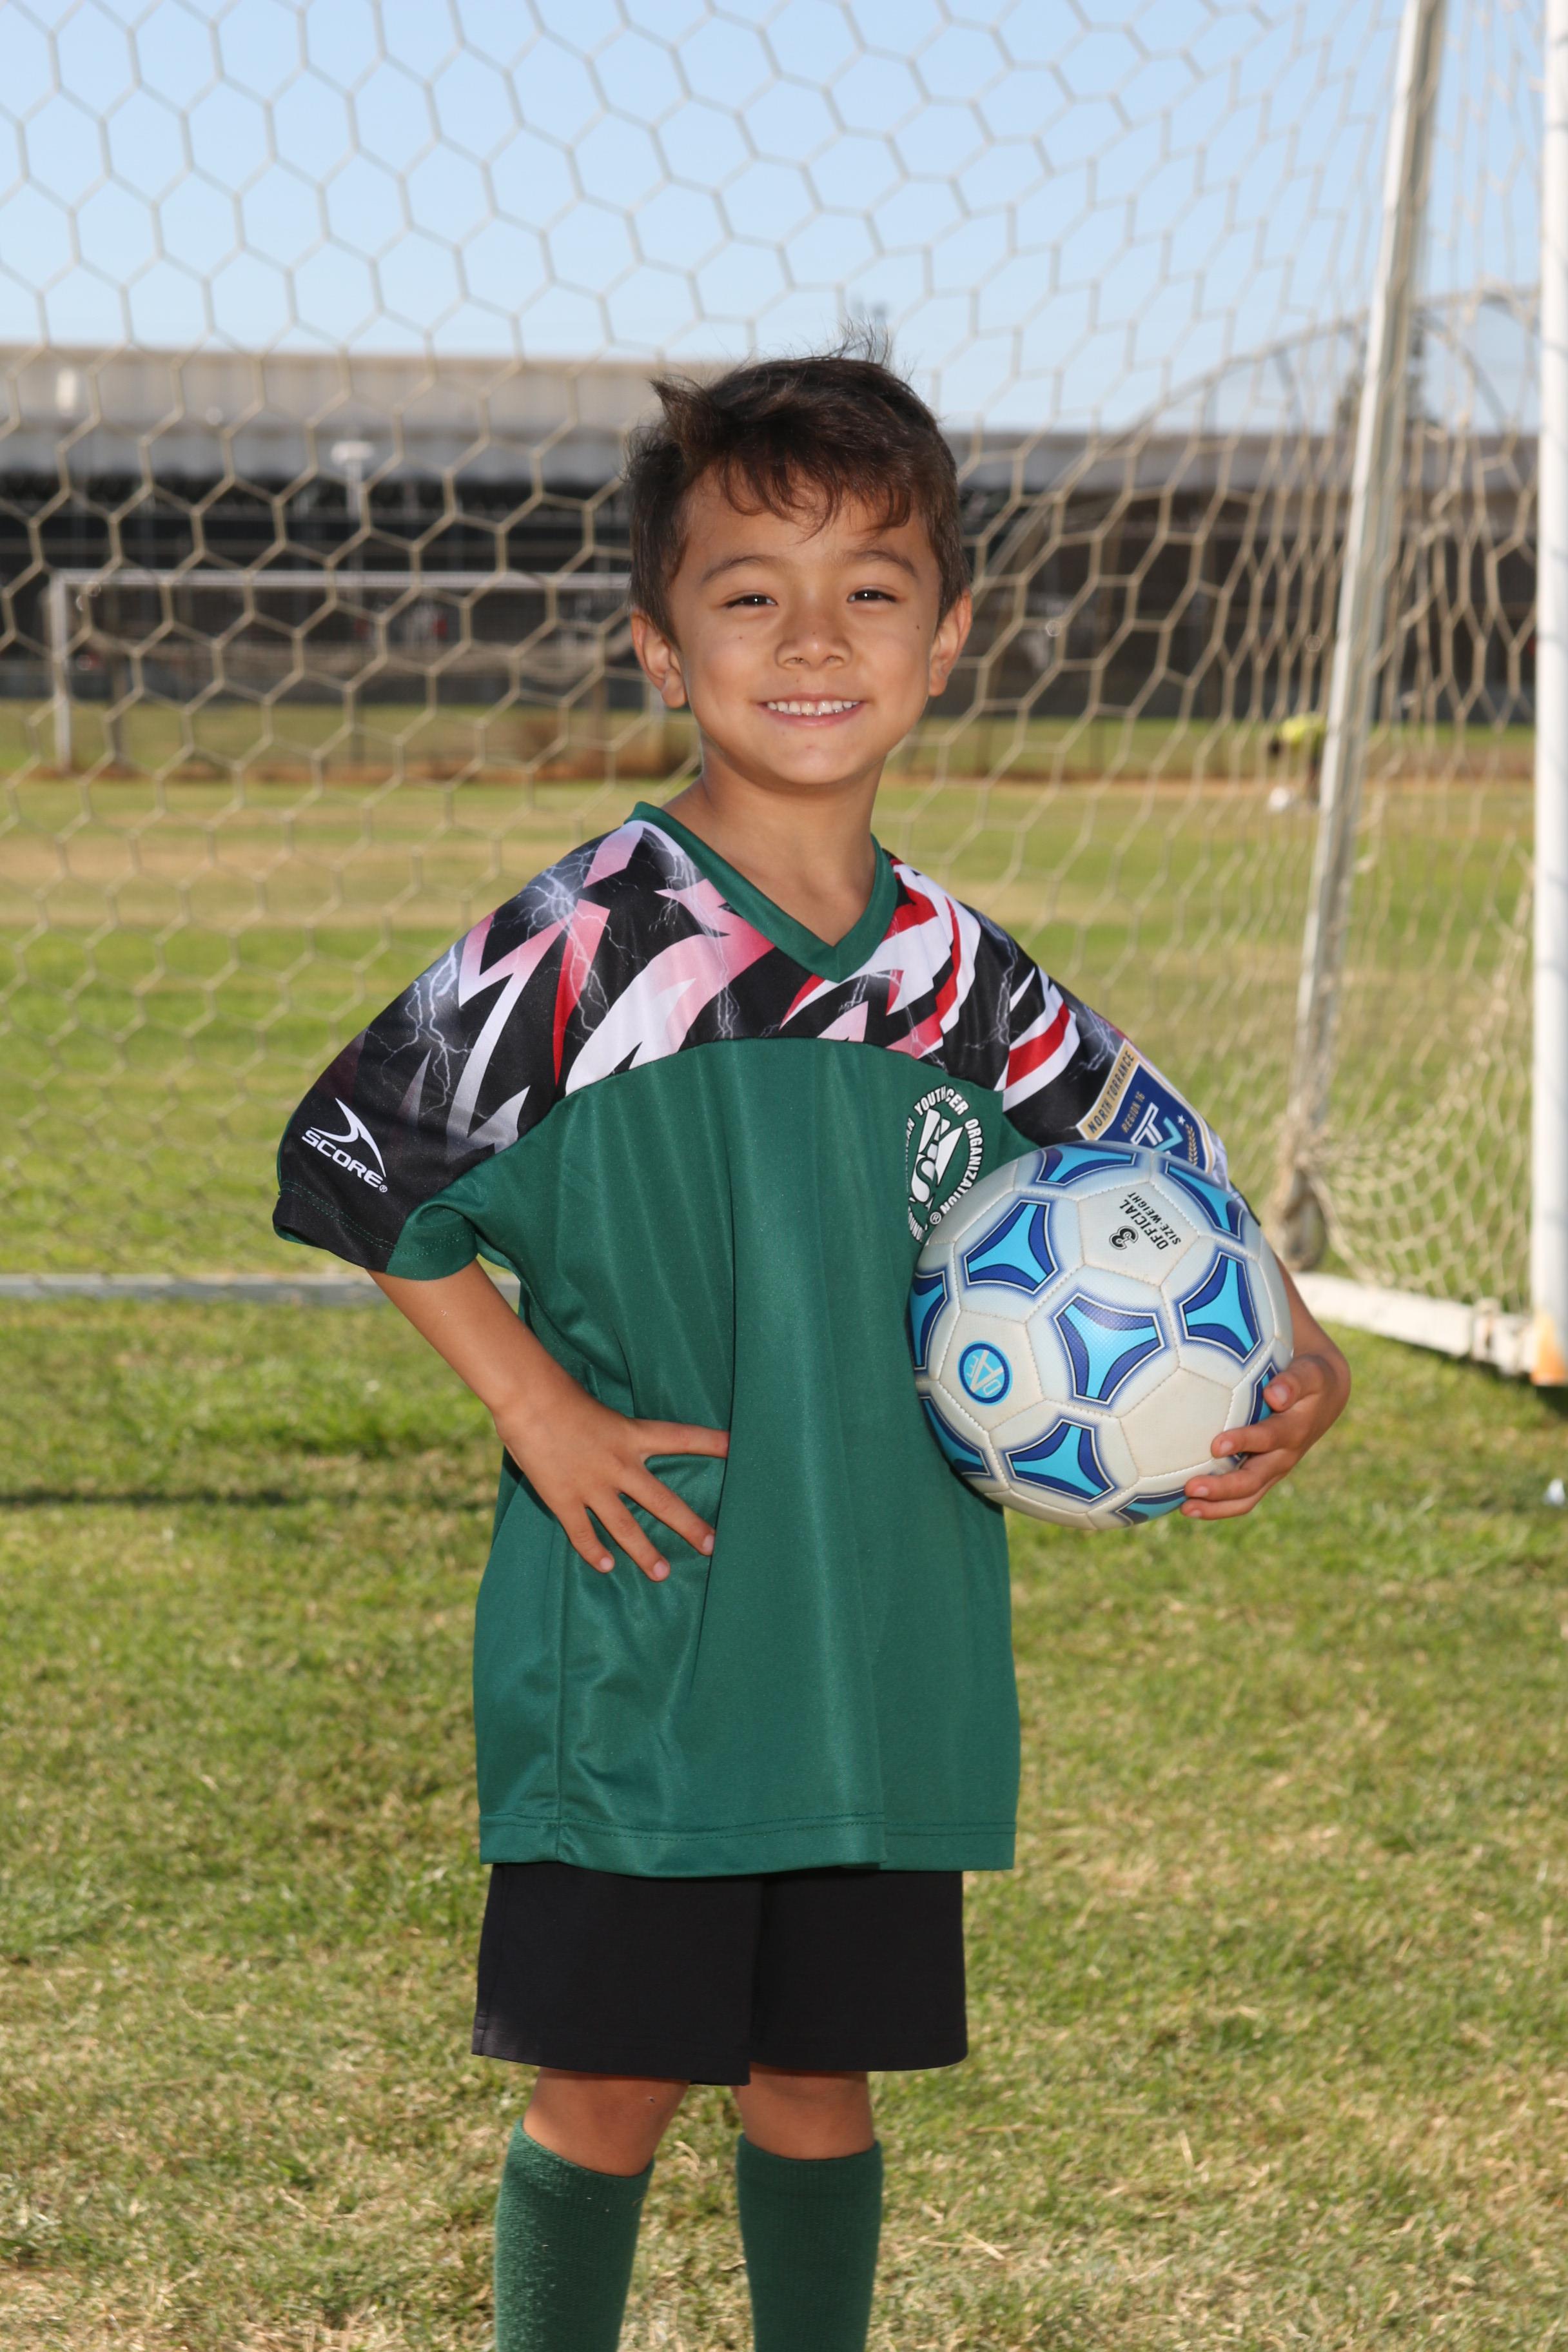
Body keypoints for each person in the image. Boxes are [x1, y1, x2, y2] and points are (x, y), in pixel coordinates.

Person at [273, 350, 1350, 2352]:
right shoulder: (590, 941)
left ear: (947, 641)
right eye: (749, 591)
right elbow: (352, 1159)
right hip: (656, 1633)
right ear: (659, 645)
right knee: (609, 2084)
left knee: (817, 2081)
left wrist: (1304, 1357)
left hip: (877, 1648)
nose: (813, 637)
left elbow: (1174, 1176)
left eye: (871, 588)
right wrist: (540, 1409)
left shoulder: (963, 978)